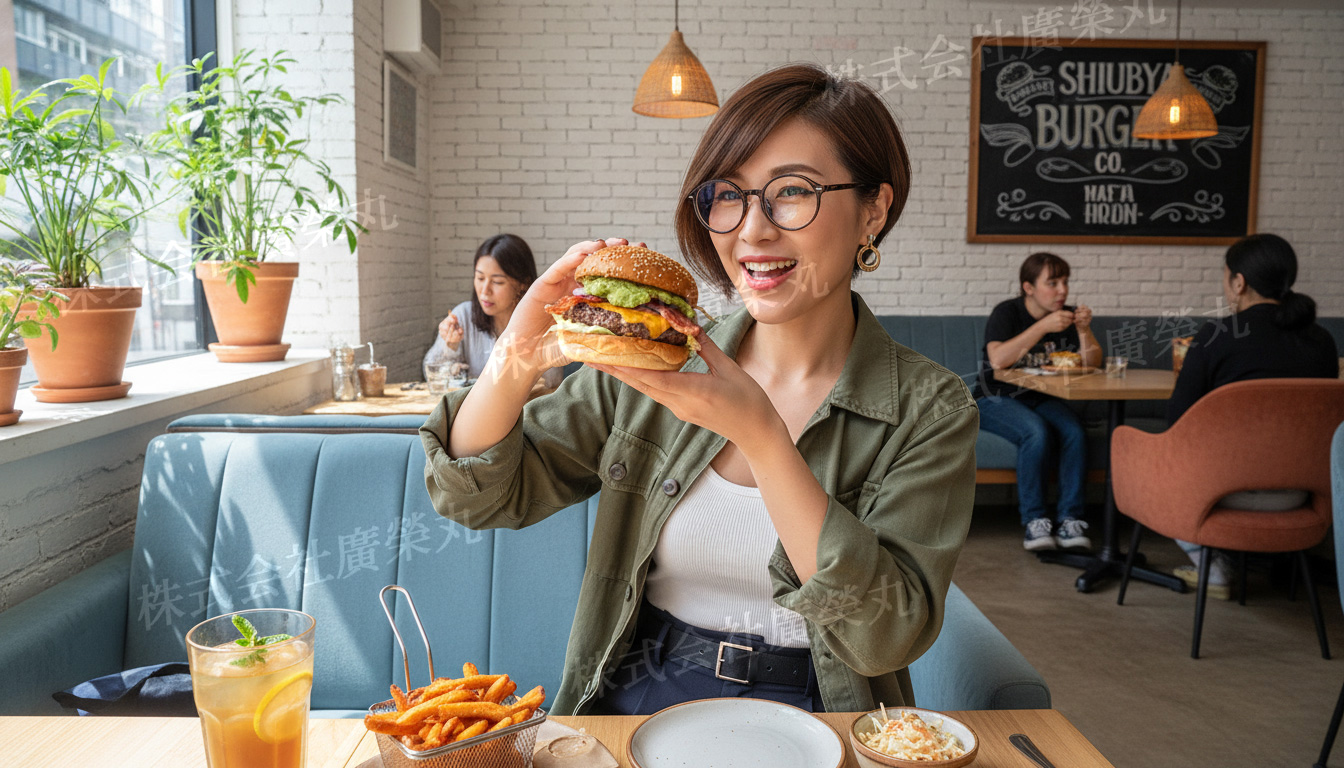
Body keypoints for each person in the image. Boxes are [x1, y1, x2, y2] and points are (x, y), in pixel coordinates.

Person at [419, 64, 979, 717]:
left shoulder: (929, 409)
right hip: (641, 690)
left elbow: (886, 636)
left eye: (791, 191)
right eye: (728, 194)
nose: (752, 231)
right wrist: (515, 352)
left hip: (825, 706)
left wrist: (763, 438)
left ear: (873, 211)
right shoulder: (651, 363)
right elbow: (477, 498)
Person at [1165, 233, 1339, 598]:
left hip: (1221, 493)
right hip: (1302, 496)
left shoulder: (1216, 335)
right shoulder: (1322, 341)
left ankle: (1211, 566)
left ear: (1239, 282)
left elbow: (1176, 426)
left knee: (1139, 456)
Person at [975, 253, 1101, 552]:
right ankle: (1035, 521)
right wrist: (1043, 327)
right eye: (1053, 283)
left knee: (1074, 432)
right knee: (1036, 432)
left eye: (1065, 282)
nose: (1063, 291)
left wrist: (1084, 330)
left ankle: (1070, 519)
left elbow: (1093, 363)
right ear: (1029, 287)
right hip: (994, 397)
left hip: (1043, 397)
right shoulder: (1007, 313)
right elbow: (998, 360)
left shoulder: (1067, 316)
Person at [423, 234, 563, 389]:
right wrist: (450, 347)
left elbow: (551, 381)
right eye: (480, 278)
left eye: (497, 282)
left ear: (523, 283)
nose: (485, 291)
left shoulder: (545, 321)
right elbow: (433, 375)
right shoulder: (463, 316)